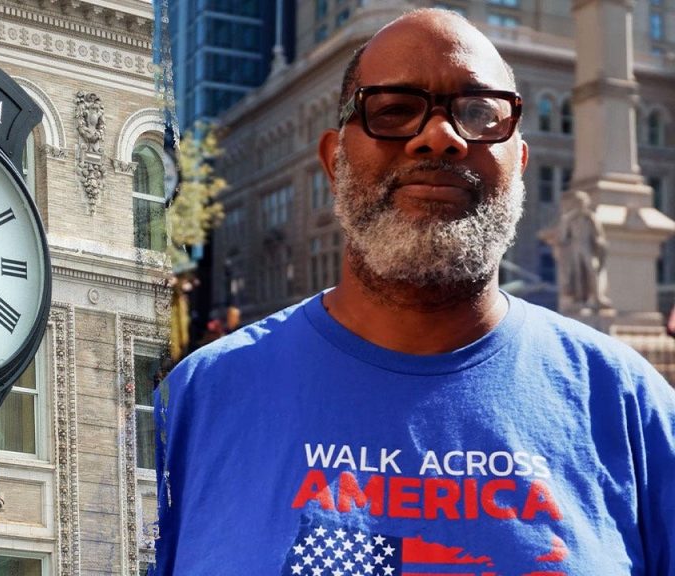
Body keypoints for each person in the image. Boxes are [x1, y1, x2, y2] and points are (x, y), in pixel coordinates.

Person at [152, 9, 675, 575]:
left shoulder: (634, 410)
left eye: (478, 113)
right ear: (333, 160)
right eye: (395, 110)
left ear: (519, 162)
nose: (439, 137)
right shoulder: (195, 404)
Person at [557, 190, 612, 310]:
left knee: (592, 270)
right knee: (578, 273)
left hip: (588, 247)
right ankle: (580, 298)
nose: (580, 205)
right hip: (575, 248)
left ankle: (598, 296)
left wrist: (600, 244)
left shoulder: (591, 218)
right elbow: (563, 237)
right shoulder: (570, 219)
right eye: (577, 202)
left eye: (582, 202)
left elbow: (598, 235)